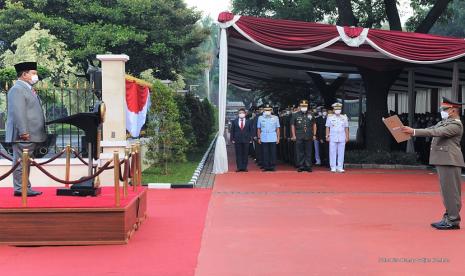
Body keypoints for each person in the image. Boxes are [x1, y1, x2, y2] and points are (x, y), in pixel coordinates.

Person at [402, 97, 465, 230]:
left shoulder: (456, 124)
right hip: (444, 160)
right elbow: (431, 128)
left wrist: (413, 132)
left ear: (453, 110)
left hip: (450, 161)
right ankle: (448, 217)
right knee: (446, 191)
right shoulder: (446, 122)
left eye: (445, 109)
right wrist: (412, 129)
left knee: (451, 192)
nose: (442, 111)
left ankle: (453, 220)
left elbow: (436, 132)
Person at [6, 62, 46, 197]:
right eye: (33, 73)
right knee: (21, 162)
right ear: (24, 74)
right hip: (23, 134)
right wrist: (23, 131)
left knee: (25, 162)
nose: (36, 76)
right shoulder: (17, 89)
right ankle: (20, 188)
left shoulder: (27, 88)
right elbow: (19, 112)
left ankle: (25, 187)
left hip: (30, 133)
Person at [290, 100, 315, 172]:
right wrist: (293, 135)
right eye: (302, 106)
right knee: (300, 151)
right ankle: (301, 165)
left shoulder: (311, 114)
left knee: (308, 151)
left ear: (307, 106)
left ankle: (308, 166)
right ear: (300, 106)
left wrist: (314, 134)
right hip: (299, 135)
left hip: (309, 135)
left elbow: (314, 124)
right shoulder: (295, 114)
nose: (304, 107)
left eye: (305, 106)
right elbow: (292, 125)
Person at [326, 102, 349, 173]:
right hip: (333, 137)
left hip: (342, 137)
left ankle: (340, 167)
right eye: (336, 109)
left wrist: (347, 136)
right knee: (332, 152)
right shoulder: (330, 117)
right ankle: (333, 167)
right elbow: (327, 127)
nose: (337, 110)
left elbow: (346, 128)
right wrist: (327, 136)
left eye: (339, 109)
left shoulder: (344, 117)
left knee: (341, 153)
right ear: (333, 110)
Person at [257, 104, 280, 171]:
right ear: (264, 110)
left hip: (273, 137)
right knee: (265, 152)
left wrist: (278, 138)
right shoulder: (260, 118)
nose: (267, 111)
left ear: (271, 110)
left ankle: (272, 166)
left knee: (273, 152)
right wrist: (259, 138)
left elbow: (278, 128)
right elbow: (258, 128)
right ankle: (266, 166)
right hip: (264, 137)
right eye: (266, 110)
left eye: (269, 110)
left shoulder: (275, 117)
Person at [230, 108, 254, 172]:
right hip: (237, 139)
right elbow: (232, 130)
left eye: (242, 113)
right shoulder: (235, 121)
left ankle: (244, 167)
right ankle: (239, 167)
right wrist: (232, 138)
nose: (241, 114)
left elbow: (251, 130)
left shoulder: (249, 121)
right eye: (240, 113)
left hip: (246, 139)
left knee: (245, 154)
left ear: (245, 114)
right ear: (238, 114)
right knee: (238, 154)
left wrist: (251, 138)